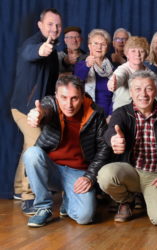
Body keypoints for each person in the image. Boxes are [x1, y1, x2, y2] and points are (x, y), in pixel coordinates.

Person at [98, 71, 157, 226]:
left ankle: (147, 197)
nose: (143, 94)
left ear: (156, 91)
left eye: (149, 89)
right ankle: (126, 200)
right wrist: (113, 139)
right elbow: (110, 130)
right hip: (131, 171)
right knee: (106, 175)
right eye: (137, 89)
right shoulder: (122, 113)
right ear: (131, 92)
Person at [23, 75, 110, 227]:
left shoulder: (96, 113)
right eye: (63, 97)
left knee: (85, 217)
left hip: (78, 173)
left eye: (74, 98)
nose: (68, 104)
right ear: (56, 96)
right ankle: (43, 208)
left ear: (83, 96)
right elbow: (45, 111)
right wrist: (38, 115)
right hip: (51, 168)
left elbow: (104, 148)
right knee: (32, 154)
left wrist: (89, 177)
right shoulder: (50, 105)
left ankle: (69, 199)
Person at [10, 8, 63, 215]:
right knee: (35, 147)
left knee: (28, 146)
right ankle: (29, 196)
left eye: (58, 25)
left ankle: (17, 189)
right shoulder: (33, 44)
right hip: (23, 109)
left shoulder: (54, 51)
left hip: (38, 109)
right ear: (40, 25)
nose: (54, 28)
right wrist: (41, 50)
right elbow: (30, 52)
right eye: (50, 24)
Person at [75, 29, 114, 118]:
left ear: (107, 48)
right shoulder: (82, 64)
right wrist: (87, 65)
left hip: (106, 115)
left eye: (103, 44)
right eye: (95, 43)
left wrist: (111, 115)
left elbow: (116, 95)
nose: (99, 47)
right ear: (89, 46)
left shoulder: (112, 69)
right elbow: (77, 80)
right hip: (86, 113)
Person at [107, 36, 151, 111]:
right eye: (133, 51)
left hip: (143, 114)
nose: (138, 54)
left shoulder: (150, 73)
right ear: (127, 54)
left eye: (141, 51)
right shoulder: (123, 69)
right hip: (123, 113)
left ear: (146, 54)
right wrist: (112, 84)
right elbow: (119, 76)